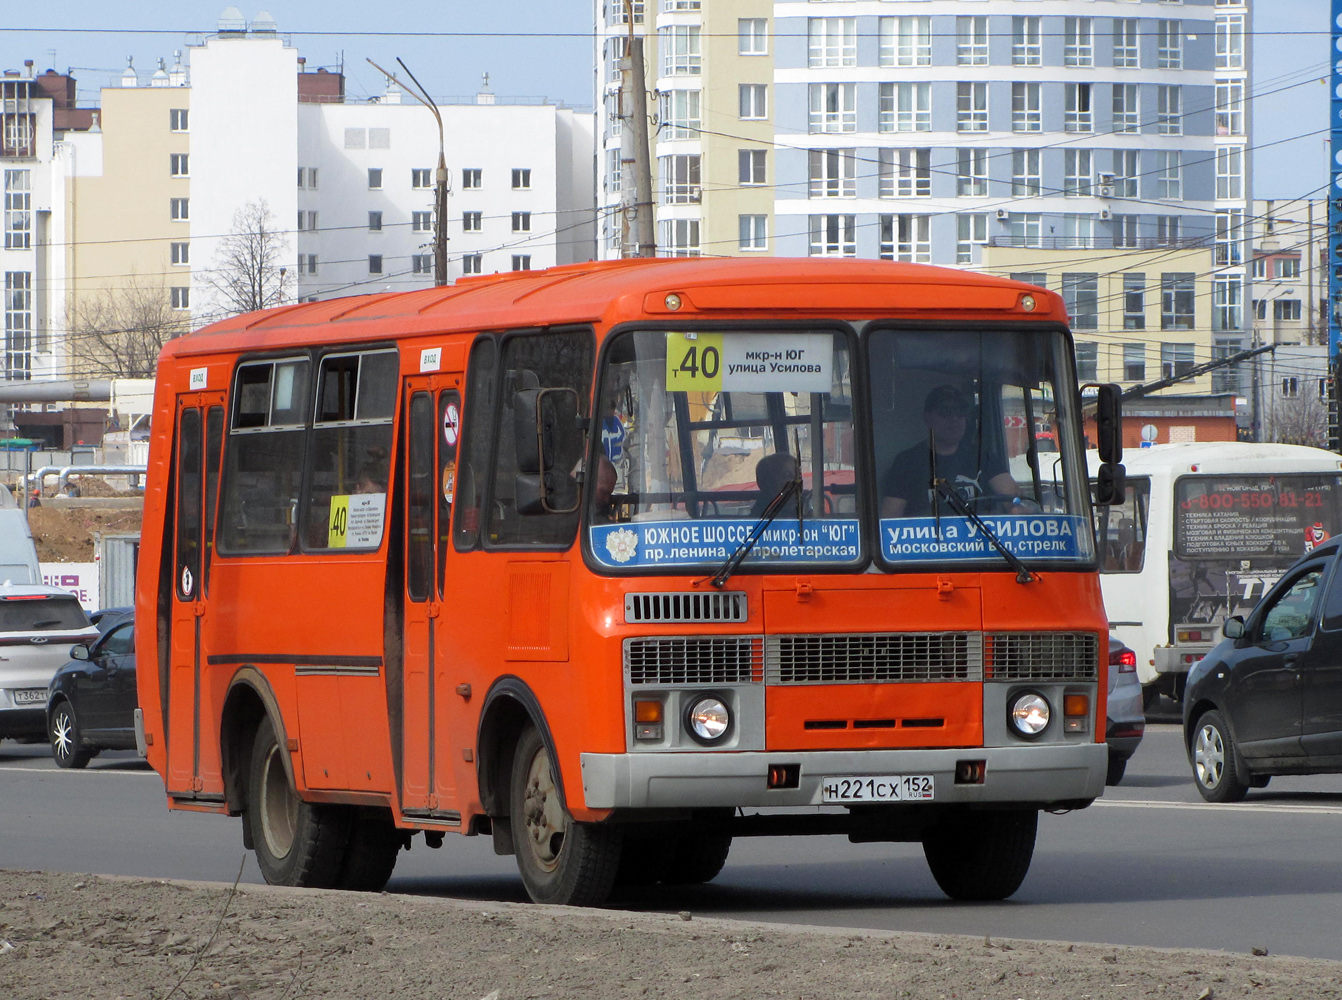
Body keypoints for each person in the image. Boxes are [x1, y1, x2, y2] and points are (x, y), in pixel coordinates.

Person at [880, 384, 1017, 518]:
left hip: (980, 538)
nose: (954, 419)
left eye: (960, 412)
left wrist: (1018, 508)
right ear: (927, 418)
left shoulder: (983, 457)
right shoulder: (907, 462)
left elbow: (1016, 501)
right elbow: (890, 517)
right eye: (944, 413)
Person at [750, 452, 800, 517]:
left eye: (798, 474)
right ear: (769, 483)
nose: (796, 480)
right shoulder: (764, 517)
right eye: (787, 475)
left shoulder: (808, 505)